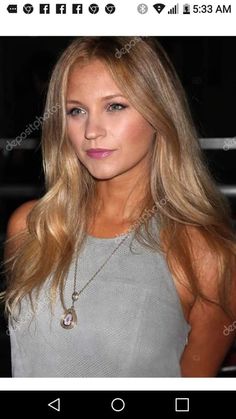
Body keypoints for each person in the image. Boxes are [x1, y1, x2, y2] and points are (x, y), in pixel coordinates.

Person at [1, 36, 236, 377]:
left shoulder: (205, 255)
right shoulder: (31, 229)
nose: (92, 131)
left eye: (115, 106)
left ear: (159, 111)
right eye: (76, 110)